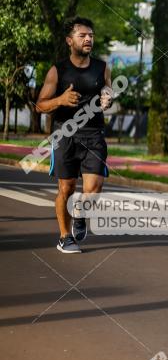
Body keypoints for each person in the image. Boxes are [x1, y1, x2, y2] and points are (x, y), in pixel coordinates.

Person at [36, 16, 113, 253]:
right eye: (83, 35)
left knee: (94, 188)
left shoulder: (102, 67)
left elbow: (107, 88)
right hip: (65, 135)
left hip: (94, 134)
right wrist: (60, 99)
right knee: (66, 189)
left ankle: (80, 214)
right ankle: (64, 237)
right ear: (70, 41)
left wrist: (108, 97)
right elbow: (40, 104)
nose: (89, 39)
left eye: (91, 35)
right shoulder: (57, 71)